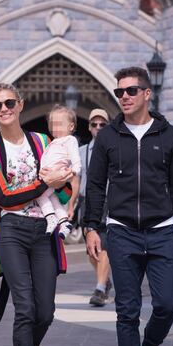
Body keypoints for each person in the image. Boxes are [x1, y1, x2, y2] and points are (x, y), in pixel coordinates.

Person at [84, 66, 173, 346]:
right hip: (121, 232)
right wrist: (91, 227)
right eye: (120, 92)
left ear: (148, 93)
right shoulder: (107, 138)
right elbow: (96, 185)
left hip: (162, 231)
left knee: (167, 304)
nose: (125, 97)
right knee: (127, 310)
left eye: (131, 91)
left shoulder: (170, 135)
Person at [0, 83, 71, 346]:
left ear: (20, 105)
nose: (3, 109)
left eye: (8, 103)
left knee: (46, 311)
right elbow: (4, 197)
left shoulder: (42, 141)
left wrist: (64, 183)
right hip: (12, 231)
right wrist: (46, 183)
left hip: (43, 230)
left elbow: (65, 183)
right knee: (25, 308)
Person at [79, 108, 112, 307]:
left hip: (109, 202)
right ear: (89, 127)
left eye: (102, 125)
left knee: (104, 245)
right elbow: (76, 180)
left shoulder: (114, 149)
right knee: (91, 250)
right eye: (94, 124)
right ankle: (105, 280)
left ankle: (100, 288)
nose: (98, 128)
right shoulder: (82, 152)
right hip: (87, 203)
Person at [36, 104, 81, 239]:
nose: (56, 128)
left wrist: (73, 172)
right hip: (49, 175)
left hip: (59, 173)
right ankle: (63, 221)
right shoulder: (53, 142)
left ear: (71, 127)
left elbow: (76, 160)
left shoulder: (70, 140)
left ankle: (50, 217)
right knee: (53, 198)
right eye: (53, 125)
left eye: (60, 124)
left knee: (39, 194)